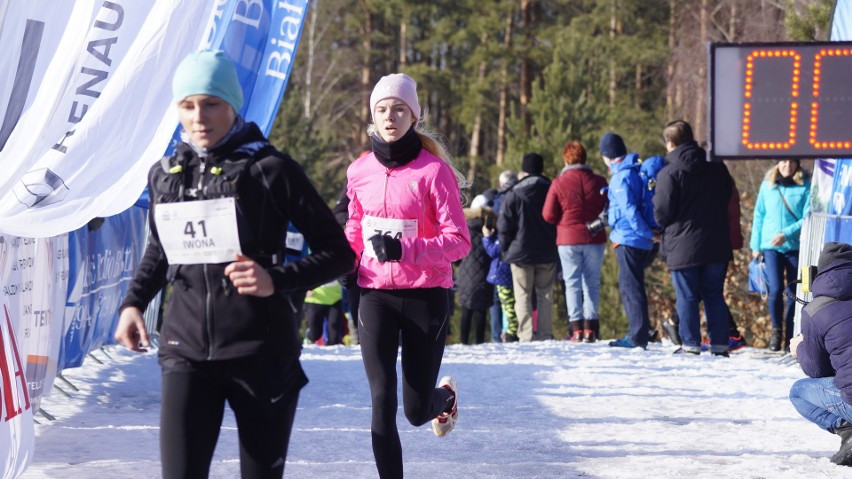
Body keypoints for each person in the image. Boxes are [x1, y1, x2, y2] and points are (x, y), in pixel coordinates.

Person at [114, 50, 354, 478]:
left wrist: (274, 279)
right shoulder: (166, 174)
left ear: (232, 105)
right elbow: (161, 249)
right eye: (187, 105)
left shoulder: (271, 169)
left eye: (211, 104)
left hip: (260, 353)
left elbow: (338, 253)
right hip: (185, 350)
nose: (198, 116)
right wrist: (133, 302)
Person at [343, 73, 470, 478]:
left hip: (425, 295)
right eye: (381, 109)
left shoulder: (434, 173)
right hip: (374, 294)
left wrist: (407, 250)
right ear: (373, 118)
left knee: (415, 412)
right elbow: (355, 224)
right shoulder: (359, 170)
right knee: (381, 400)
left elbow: (459, 241)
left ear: (413, 117)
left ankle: (444, 398)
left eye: (399, 108)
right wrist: (346, 257)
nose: (390, 116)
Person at [653, 120, 733, 356]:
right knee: (714, 294)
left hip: (683, 245)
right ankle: (720, 344)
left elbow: (661, 211)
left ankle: (690, 344)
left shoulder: (669, 171)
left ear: (670, 143)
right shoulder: (716, 166)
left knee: (687, 295)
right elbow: (728, 193)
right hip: (716, 241)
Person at [789, 242, 852, 466]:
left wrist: (799, 348)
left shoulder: (815, 309)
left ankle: (849, 432)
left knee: (798, 391)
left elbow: (817, 370)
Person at [542, 140, 608, 342]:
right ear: (584, 158)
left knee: (572, 283)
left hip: (568, 239)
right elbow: (608, 208)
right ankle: (591, 329)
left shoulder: (558, 183)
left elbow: (548, 215)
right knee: (592, 283)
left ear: (566, 159)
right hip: (594, 238)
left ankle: (576, 329)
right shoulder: (599, 181)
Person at [599, 133, 656, 350]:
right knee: (634, 285)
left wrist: (646, 233)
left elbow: (630, 210)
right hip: (639, 238)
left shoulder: (620, 177)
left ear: (608, 156)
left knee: (631, 287)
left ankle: (637, 336)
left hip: (629, 238)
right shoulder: (636, 171)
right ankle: (641, 331)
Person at [750, 159, 811, 351]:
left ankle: (791, 335)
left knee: (794, 293)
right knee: (775, 290)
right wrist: (755, 245)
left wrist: (787, 234)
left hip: (794, 246)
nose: (788, 165)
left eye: (792, 162)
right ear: (777, 164)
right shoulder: (768, 186)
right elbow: (759, 215)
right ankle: (776, 330)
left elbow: (808, 216)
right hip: (771, 247)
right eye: (783, 161)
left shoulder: (805, 186)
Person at [498, 153, 558, 342]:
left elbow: (504, 227)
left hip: (520, 253)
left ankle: (525, 335)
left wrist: (506, 252)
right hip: (547, 251)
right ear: (542, 170)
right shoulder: (551, 190)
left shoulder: (514, 194)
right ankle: (545, 334)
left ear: (523, 171)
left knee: (522, 295)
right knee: (545, 295)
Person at [457, 194, 496, 344]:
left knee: (466, 309)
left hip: (466, 274)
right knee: (481, 310)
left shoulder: (463, 226)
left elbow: (457, 255)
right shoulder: (490, 227)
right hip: (484, 273)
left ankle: (464, 341)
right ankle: (480, 341)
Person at [484, 170, 518, 342]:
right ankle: (509, 331)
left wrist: (487, 237)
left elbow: (493, 248)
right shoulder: (520, 195)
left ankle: (502, 334)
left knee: (502, 302)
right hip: (519, 256)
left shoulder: (498, 201)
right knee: (516, 299)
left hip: (501, 262)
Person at [303, 280, 346, 345]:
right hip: (314, 300)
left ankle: (332, 353)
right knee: (315, 335)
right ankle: (309, 337)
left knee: (334, 336)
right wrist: (304, 290)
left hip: (335, 299)